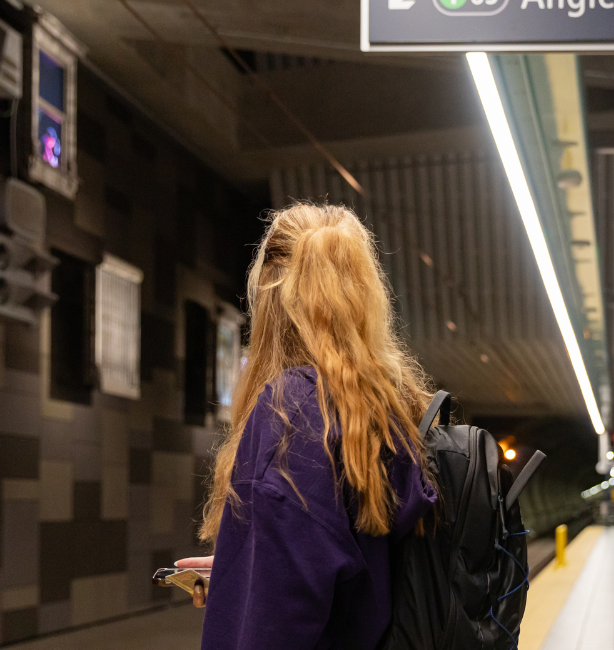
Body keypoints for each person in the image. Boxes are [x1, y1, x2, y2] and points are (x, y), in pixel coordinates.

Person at [176, 204, 438, 649]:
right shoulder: (395, 411)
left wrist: (250, 592)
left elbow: (277, 623)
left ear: (271, 296)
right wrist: (240, 569)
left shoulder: (291, 415)